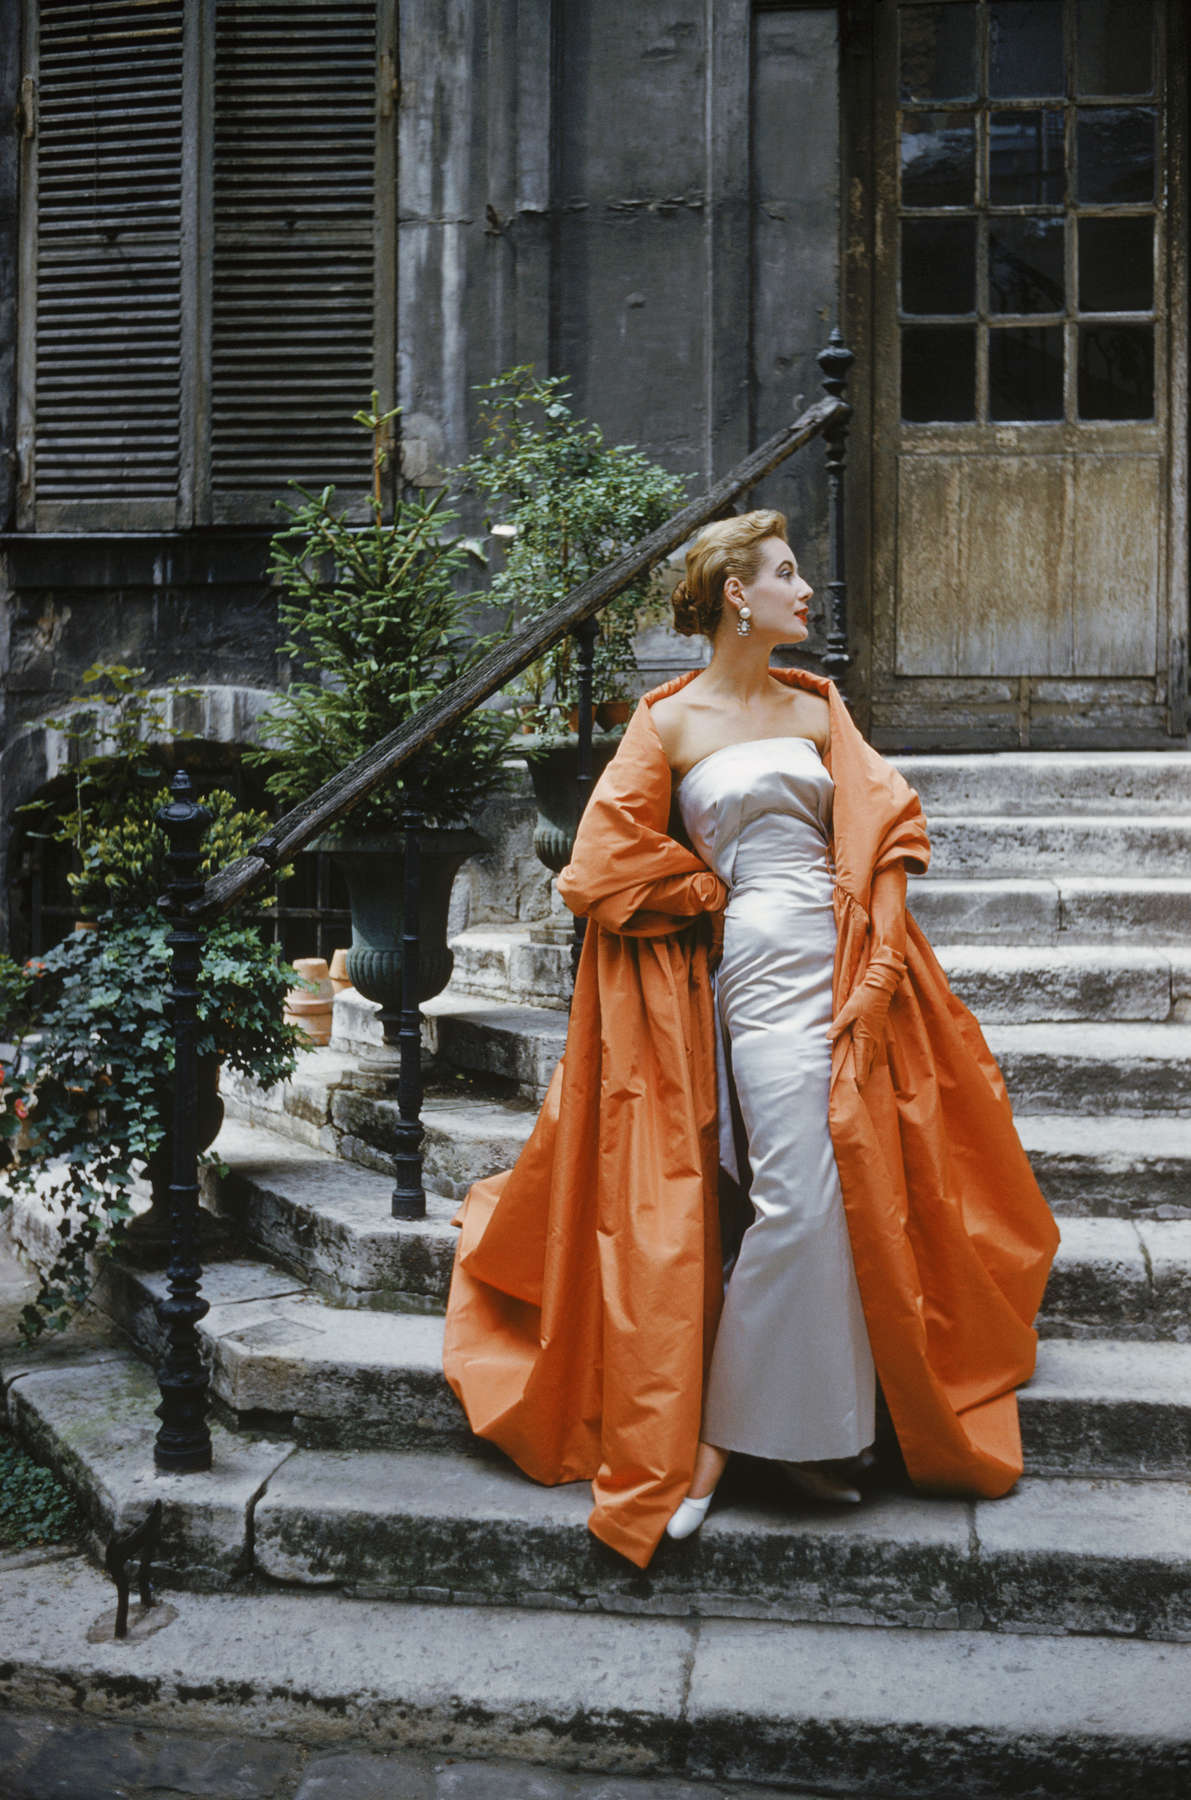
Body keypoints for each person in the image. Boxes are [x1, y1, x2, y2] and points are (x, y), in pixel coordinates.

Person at [443, 509, 1059, 1570]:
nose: (805, 588)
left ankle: (806, 1437)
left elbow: (885, 833)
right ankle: (718, 1447)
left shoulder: (819, 708)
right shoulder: (668, 722)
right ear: (738, 593)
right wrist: (704, 892)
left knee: (842, 1185)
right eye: (785, 572)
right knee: (799, 1194)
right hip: (755, 978)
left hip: (849, 963)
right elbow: (597, 868)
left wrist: (879, 967)